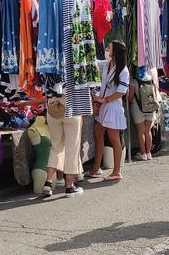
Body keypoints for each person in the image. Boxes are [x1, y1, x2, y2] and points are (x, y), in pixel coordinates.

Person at [88, 41, 129, 182]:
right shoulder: (107, 64)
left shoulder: (123, 71)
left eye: (110, 47)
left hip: (112, 107)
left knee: (114, 139)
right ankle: (96, 168)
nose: (107, 49)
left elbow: (121, 93)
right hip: (103, 106)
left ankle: (117, 171)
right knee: (98, 136)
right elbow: (94, 62)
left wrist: (104, 100)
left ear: (115, 51)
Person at [41, 96, 84, 198]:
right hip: (72, 106)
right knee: (72, 149)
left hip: (53, 105)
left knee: (56, 146)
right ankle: (69, 186)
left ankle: (48, 182)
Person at [128, 67, 159, 161]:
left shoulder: (133, 81)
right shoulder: (150, 78)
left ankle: (143, 154)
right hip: (151, 107)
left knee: (140, 132)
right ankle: (149, 153)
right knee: (148, 131)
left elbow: (130, 97)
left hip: (137, 108)